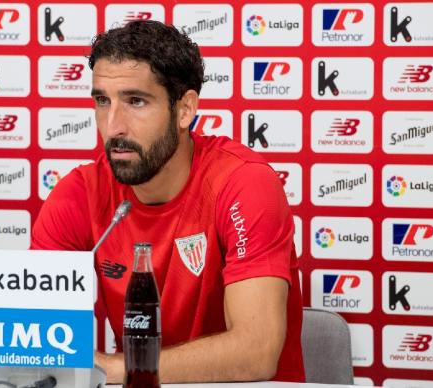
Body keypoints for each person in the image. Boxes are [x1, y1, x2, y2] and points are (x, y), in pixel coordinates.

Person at [31, 20, 305, 383]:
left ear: (185, 109)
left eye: (136, 101)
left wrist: (116, 367)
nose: (113, 126)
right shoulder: (78, 193)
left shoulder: (242, 182)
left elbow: (257, 351)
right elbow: (36, 341)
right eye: (102, 101)